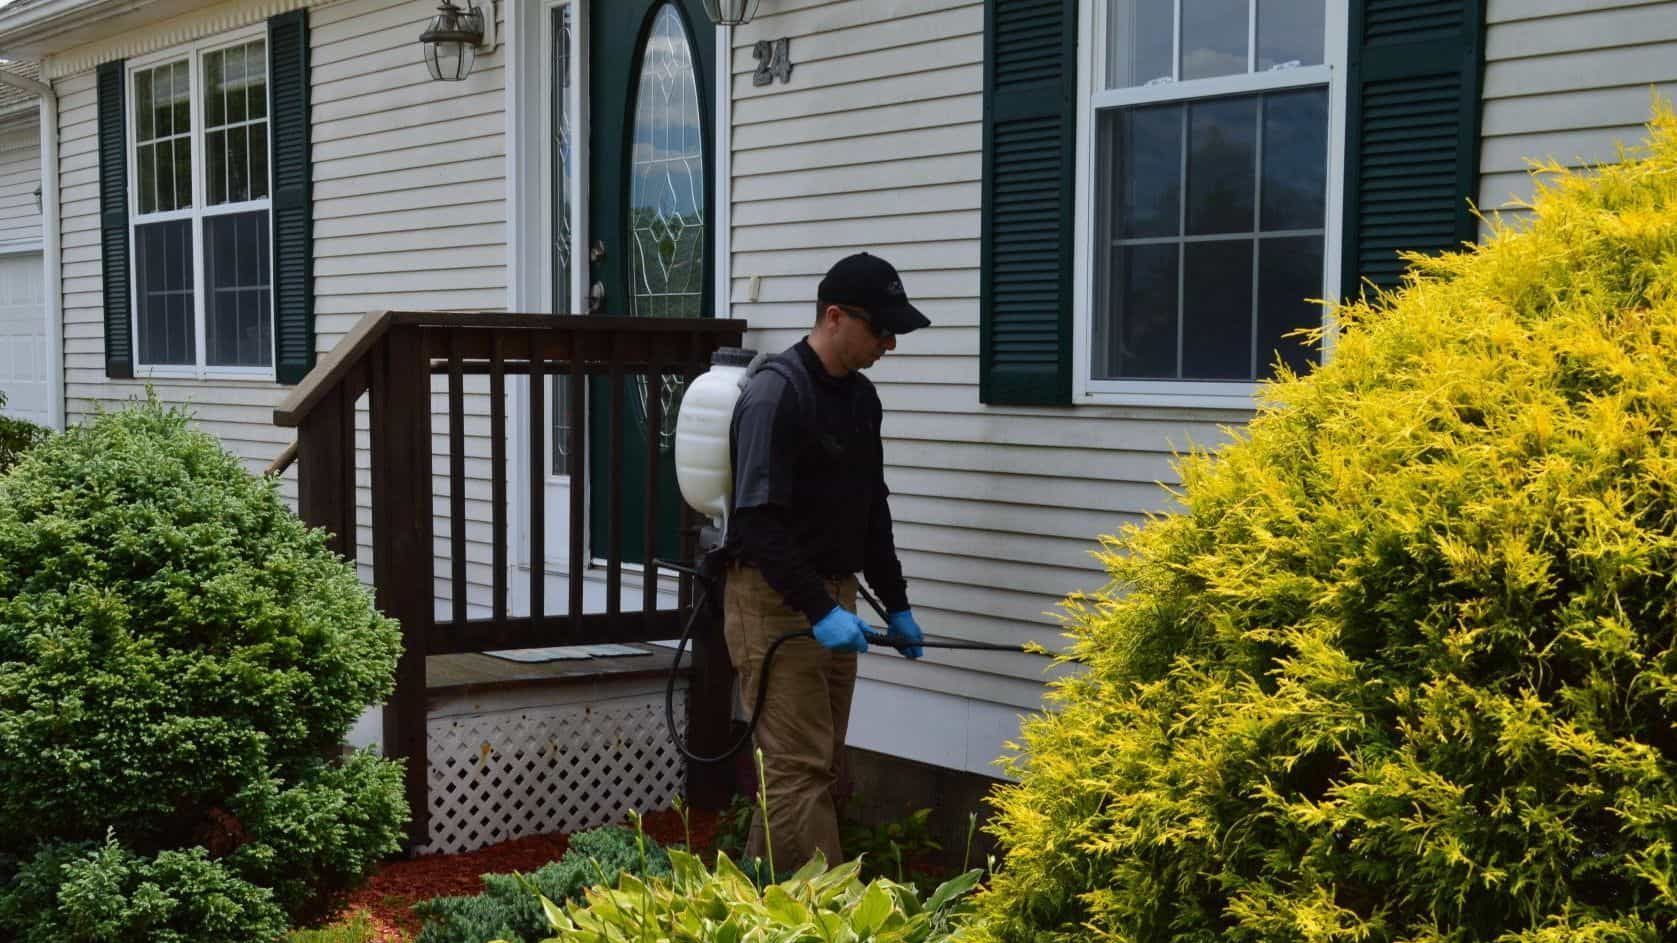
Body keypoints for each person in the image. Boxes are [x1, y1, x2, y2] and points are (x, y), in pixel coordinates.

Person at [722, 252, 930, 871]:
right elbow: (756, 522)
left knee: (815, 763)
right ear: (834, 317)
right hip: (773, 600)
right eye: (881, 329)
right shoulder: (777, 394)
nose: (890, 343)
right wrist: (816, 608)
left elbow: (873, 512)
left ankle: (764, 905)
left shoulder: (862, 400)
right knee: (797, 766)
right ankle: (824, 916)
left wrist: (896, 605)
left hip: (831, 599)